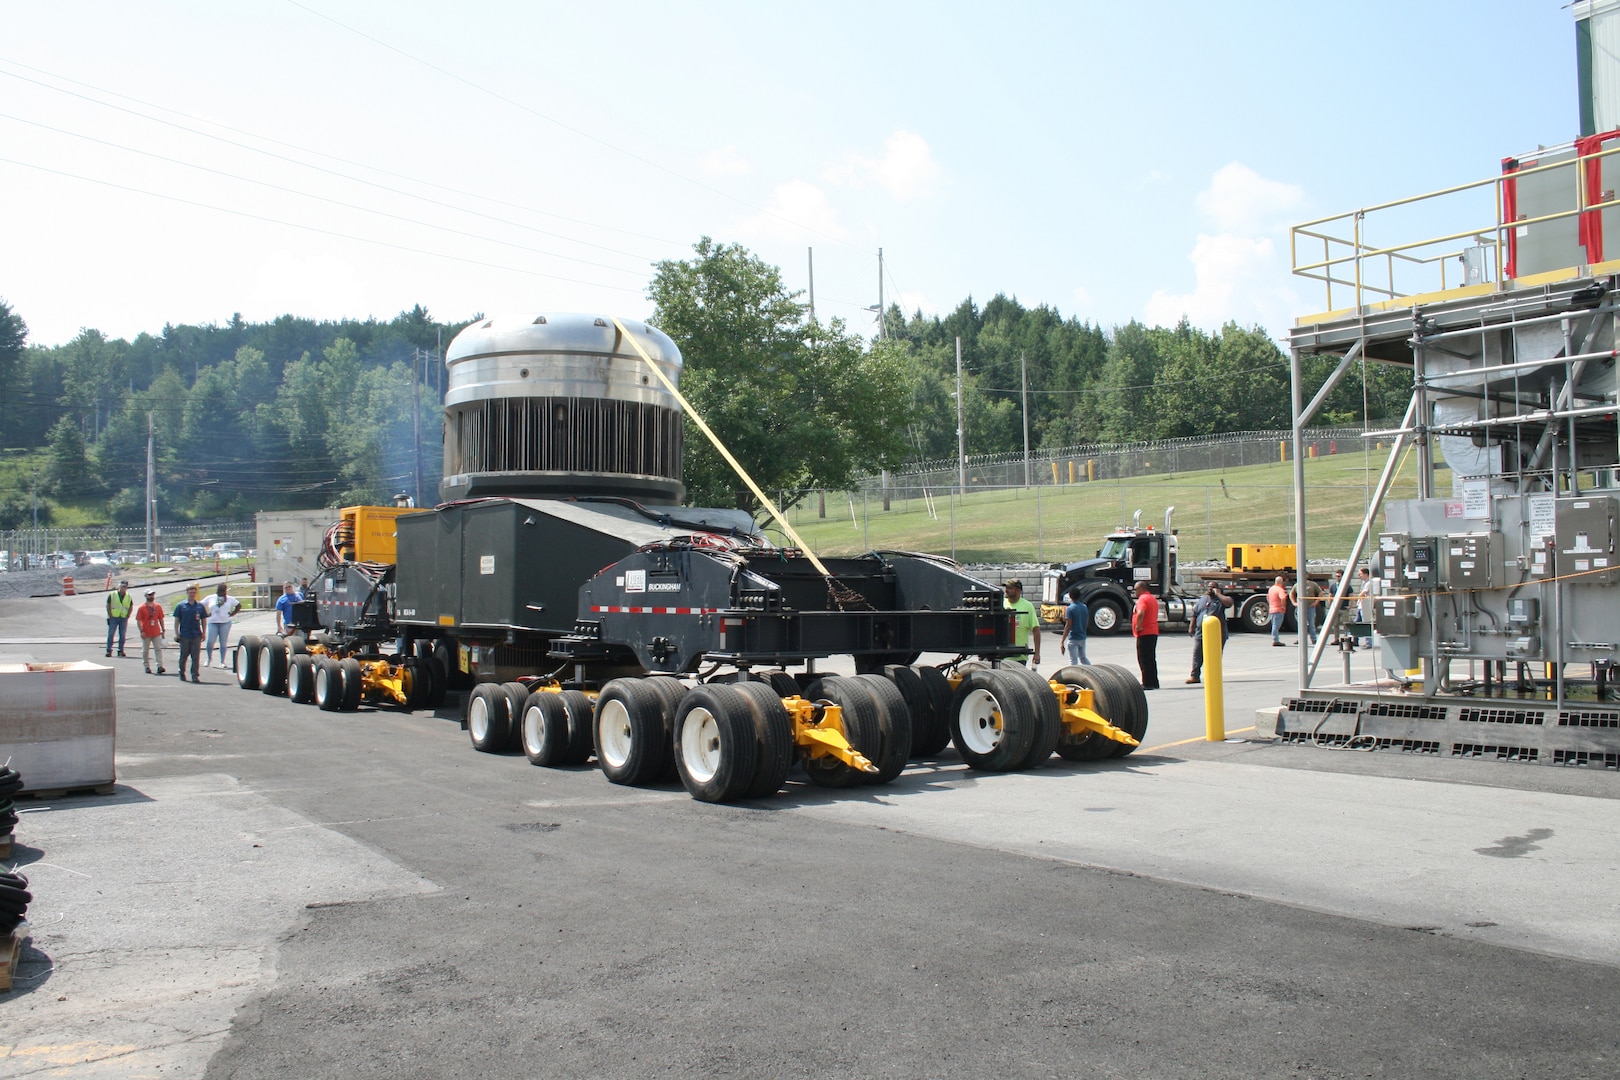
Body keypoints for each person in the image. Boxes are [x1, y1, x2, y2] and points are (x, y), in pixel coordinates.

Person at [1187, 584, 1233, 684]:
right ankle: (1195, 676)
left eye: (1212, 587)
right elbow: (1195, 613)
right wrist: (1191, 627)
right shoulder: (1203, 599)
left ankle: (1213, 676)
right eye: (1209, 587)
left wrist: (1218, 594)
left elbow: (1229, 603)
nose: (1210, 588)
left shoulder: (1221, 600)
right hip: (1201, 632)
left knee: (1214, 656)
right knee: (1197, 655)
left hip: (1216, 634)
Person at [1002, 579, 1041, 668]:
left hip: (1019, 656)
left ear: (1018, 590)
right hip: (1002, 656)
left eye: (1010, 588)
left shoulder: (1027, 606)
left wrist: (1037, 653)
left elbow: (1036, 630)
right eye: (1006, 588)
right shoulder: (1001, 604)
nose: (1006, 590)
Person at [173, 584, 207, 683]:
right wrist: (176, 633)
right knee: (184, 656)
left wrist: (204, 632)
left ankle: (195, 675)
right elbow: (177, 620)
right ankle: (181, 672)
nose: (192, 594)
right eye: (190, 592)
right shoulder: (181, 605)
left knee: (195, 657)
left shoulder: (200, 606)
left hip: (196, 634)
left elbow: (203, 620)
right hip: (184, 634)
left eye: (194, 592)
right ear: (187, 593)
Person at [203, 582, 241, 667]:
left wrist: (232, 614)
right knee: (210, 641)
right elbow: (200, 605)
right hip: (213, 622)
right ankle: (209, 658)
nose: (221, 592)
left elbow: (238, 605)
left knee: (223, 642)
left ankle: (222, 661)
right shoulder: (211, 597)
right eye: (220, 590)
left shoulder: (230, 599)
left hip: (225, 622)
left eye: (223, 590)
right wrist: (205, 614)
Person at [1131, 580, 1160, 690]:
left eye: (1136, 589)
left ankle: (1147, 682)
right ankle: (1154, 681)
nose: (1134, 592)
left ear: (1141, 589)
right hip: (1153, 631)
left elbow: (1141, 612)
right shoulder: (1152, 598)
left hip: (1145, 631)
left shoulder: (1142, 599)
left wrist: (1138, 626)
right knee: (1151, 658)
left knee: (1143, 658)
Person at [135, 588, 167, 675]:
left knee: (158, 649)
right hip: (146, 632)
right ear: (145, 596)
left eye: (152, 594)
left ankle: (160, 666)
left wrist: (163, 629)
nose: (151, 596)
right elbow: (138, 620)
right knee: (145, 650)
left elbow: (160, 618)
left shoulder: (157, 606)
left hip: (156, 632)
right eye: (149, 595)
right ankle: (146, 666)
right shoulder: (141, 608)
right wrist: (141, 631)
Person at [105, 579, 134, 657]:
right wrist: (110, 614)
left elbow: (131, 606)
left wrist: (128, 615)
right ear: (119, 586)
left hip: (123, 617)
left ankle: (120, 650)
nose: (123, 588)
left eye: (125, 587)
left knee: (122, 635)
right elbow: (108, 604)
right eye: (122, 586)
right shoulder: (113, 594)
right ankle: (108, 650)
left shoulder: (128, 596)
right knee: (111, 634)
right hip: (114, 617)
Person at [1062, 586, 1089, 666]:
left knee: (1073, 660)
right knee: (1083, 658)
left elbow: (1068, 626)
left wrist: (1062, 640)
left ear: (1070, 596)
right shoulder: (1084, 607)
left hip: (1073, 638)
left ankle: (1074, 676)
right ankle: (1093, 672)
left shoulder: (1070, 609)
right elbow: (1087, 621)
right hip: (1082, 636)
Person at [1293, 576, 1323, 644]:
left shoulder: (1312, 584)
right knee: (1300, 624)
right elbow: (1291, 594)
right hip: (1300, 607)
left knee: (1311, 624)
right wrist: (1294, 603)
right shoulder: (1297, 585)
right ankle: (1300, 639)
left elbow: (1321, 593)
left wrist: (1316, 602)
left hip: (1310, 607)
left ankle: (1314, 639)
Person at [1267, 575, 1289, 647]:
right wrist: (1283, 607)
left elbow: (1268, 598)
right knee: (1276, 625)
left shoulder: (1271, 589)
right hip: (1278, 609)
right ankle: (1275, 640)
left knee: (1274, 625)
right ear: (1281, 582)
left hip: (1272, 609)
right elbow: (1283, 598)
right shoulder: (1280, 590)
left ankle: (1275, 639)